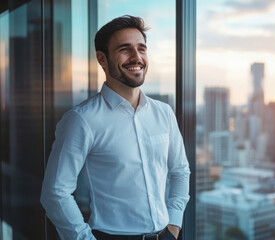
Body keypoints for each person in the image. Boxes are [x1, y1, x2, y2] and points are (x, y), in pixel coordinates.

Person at [40, 15, 190, 240]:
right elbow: (55, 193)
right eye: (125, 49)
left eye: (142, 48)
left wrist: (174, 225)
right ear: (102, 58)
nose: (136, 57)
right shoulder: (81, 120)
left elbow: (180, 171)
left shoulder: (164, 113)